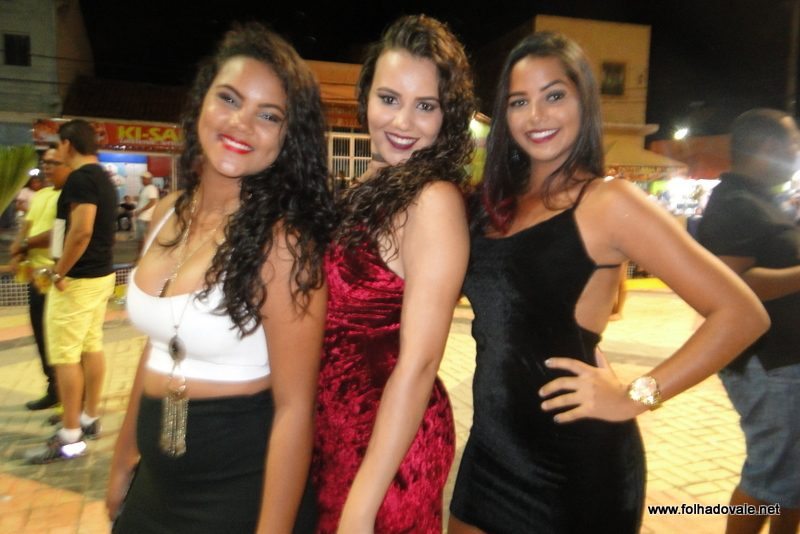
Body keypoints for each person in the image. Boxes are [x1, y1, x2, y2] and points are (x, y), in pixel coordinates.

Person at [447, 32, 769, 534]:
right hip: (490, 450)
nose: (537, 115)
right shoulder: (491, 206)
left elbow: (742, 313)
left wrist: (636, 395)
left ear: (584, 102)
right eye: (519, 101)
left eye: (554, 95)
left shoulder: (608, 202)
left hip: (574, 466)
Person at [106, 23, 333, 533]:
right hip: (155, 486)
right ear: (201, 102)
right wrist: (122, 456)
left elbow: (295, 409)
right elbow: (158, 346)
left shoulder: (284, 246)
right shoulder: (166, 213)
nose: (241, 123)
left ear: (287, 138)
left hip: (240, 493)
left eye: (268, 115)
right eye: (229, 98)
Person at [311, 15, 474, 533]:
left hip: (389, 458)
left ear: (447, 115)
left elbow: (420, 363)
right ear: (366, 99)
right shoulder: (366, 186)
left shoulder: (433, 200)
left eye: (425, 106)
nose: (403, 121)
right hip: (335, 436)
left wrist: (362, 507)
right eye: (389, 98)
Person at [697, 108, 800, 534]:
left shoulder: (761, 200)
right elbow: (731, 286)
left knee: (790, 476)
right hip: (766, 360)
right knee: (768, 476)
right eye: (793, 145)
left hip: (783, 357)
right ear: (766, 147)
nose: (796, 154)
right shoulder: (735, 204)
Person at [24, 119, 118, 464]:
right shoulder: (103, 177)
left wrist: (57, 271)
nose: (54, 156)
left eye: (57, 146)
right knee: (91, 346)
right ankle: (89, 418)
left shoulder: (81, 179)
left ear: (68, 144)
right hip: (100, 276)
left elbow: (81, 232)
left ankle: (70, 435)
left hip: (76, 280)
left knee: (65, 356)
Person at [9, 147, 69, 410]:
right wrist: (17, 251)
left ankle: (71, 396)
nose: (47, 167)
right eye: (45, 162)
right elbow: (27, 227)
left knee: (61, 340)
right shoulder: (42, 194)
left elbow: (57, 234)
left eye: (53, 162)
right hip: (35, 276)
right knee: (42, 337)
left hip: (55, 276)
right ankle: (53, 388)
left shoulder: (68, 196)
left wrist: (24, 245)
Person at [133, 171, 159, 249]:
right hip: (142, 217)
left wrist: (141, 210)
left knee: (143, 239)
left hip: (145, 218)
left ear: (149, 179)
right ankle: (141, 254)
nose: (142, 180)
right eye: (142, 179)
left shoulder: (151, 188)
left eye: (143, 179)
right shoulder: (145, 188)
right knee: (142, 239)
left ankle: (142, 255)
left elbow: (153, 202)